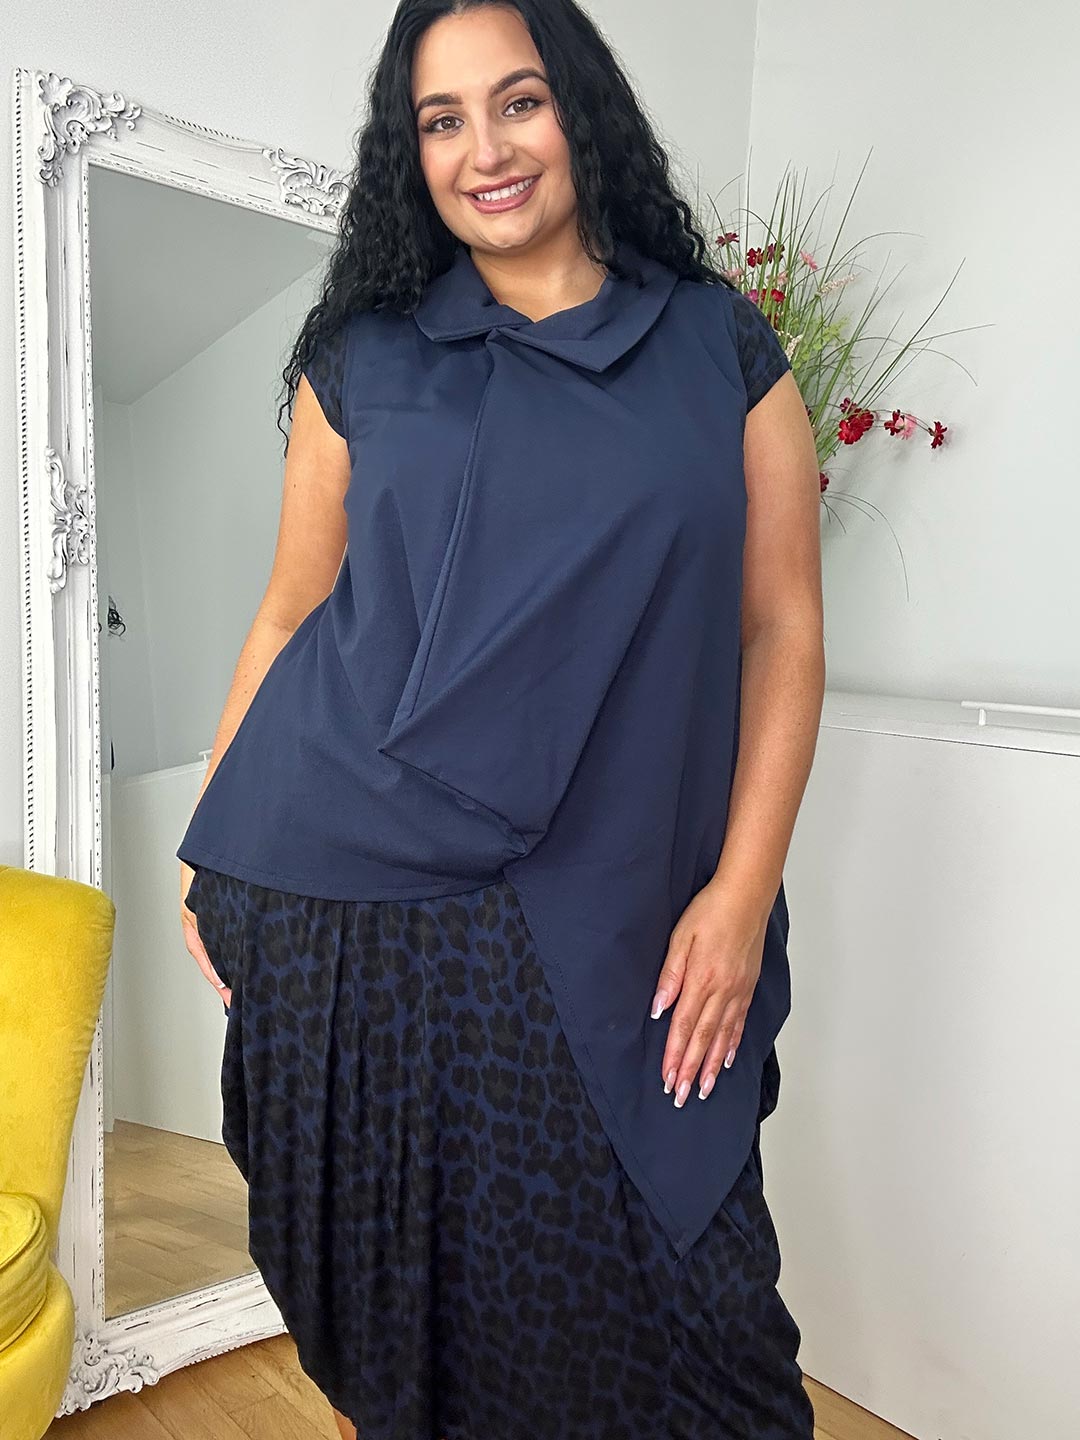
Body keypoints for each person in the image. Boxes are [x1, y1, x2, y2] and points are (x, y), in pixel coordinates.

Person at [177, 1, 825, 1436]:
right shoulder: (365, 361)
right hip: (355, 904)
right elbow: (292, 613)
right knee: (416, 1330)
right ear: (409, 155)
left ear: (578, 110)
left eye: (517, 102)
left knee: (713, 1339)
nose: (486, 149)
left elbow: (780, 625)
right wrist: (209, 840)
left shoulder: (720, 347)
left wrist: (742, 886)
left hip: (622, 906)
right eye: (443, 119)